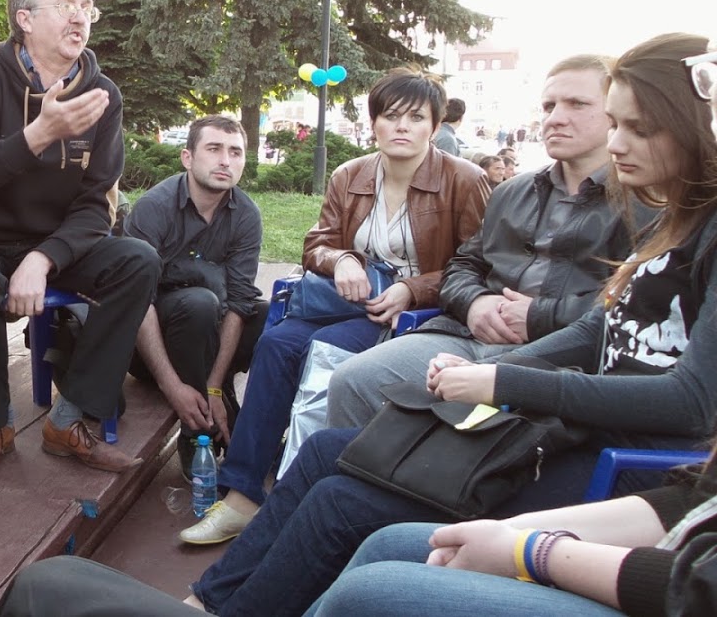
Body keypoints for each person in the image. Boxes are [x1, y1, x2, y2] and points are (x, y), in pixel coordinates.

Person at [177, 32, 717, 617]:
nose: (616, 143)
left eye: (635, 127)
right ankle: (207, 599)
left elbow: (692, 403)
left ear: (697, 126)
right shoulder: (668, 217)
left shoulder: (659, 214)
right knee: (324, 447)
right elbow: (591, 326)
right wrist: (486, 343)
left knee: (342, 500)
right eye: (613, 123)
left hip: (613, 456)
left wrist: (504, 378)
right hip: (535, 395)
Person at [179, 67, 489, 545]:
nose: (402, 127)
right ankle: (240, 495)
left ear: (434, 125)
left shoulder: (465, 180)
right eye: (391, 116)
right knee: (277, 343)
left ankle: (293, 501)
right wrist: (341, 258)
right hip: (347, 301)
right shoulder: (351, 175)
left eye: (416, 118)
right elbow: (316, 244)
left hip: (412, 315)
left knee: (324, 349)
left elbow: (477, 265)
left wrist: (414, 289)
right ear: (374, 122)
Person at [0, 0, 160, 480]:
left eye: (86, 6)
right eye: (65, 5)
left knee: (138, 261)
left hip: (50, 241)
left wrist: (44, 258)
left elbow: (97, 203)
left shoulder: (103, 95)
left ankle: (68, 420)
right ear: (25, 19)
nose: (80, 16)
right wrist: (37, 136)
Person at [328, 56, 653, 430]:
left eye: (577, 104)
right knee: (353, 380)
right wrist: (475, 302)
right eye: (549, 106)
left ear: (615, 114)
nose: (555, 118)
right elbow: (464, 265)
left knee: (460, 414)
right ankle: (354, 468)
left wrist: (538, 316)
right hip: (466, 335)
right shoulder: (513, 191)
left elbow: (637, 309)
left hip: (562, 356)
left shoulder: (644, 203)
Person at [309, 442, 717, 616]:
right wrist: (509, 531)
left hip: (686, 593)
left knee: (369, 592)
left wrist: (530, 552)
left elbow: (701, 590)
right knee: (393, 542)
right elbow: (697, 501)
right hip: (676, 560)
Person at [123, 114, 267, 473]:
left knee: (268, 316)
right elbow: (136, 304)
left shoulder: (246, 215)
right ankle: (195, 431)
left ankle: (223, 399)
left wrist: (213, 386)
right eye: (214, 149)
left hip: (208, 342)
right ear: (187, 158)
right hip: (149, 346)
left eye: (235, 152)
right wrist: (172, 386)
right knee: (199, 303)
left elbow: (240, 303)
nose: (225, 161)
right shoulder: (154, 208)